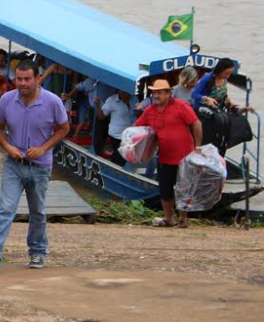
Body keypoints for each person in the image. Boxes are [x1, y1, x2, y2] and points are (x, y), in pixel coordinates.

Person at [0, 60, 69, 273]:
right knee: (5, 210)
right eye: (19, 79)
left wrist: (44, 148)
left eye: (27, 79)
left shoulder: (52, 102)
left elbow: (63, 128)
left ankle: (37, 252)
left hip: (40, 165)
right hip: (14, 164)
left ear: (38, 79)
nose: (22, 83)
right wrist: (8, 147)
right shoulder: (7, 100)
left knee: (37, 211)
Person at [136, 79, 202, 228]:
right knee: (165, 188)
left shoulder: (181, 106)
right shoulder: (150, 111)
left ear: (168, 94)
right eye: (154, 92)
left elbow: (196, 123)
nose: (156, 95)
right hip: (165, 156)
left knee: (184, 188)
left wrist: (198, 147)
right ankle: (169, 218)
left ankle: (183, 219)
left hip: (185, 157)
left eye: (159, 92)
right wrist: (129, 145)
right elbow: (137, 127)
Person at [190, 58, 255, 156]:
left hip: (218, 108)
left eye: (229, 74)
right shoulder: (208, 78)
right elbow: (194, 94)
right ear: (220, 70)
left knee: (240, 120)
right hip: (204, 110)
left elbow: (223, 94)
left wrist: (229, 101)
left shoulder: (224, 80)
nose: (227, 77)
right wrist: (206, 99)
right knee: (221, 121)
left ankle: (224, 146)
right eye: (226, 73)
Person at [95, 90, 134, 166]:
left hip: (130, 135)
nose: (126, 93)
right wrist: (98, 105)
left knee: (123, 158)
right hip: (116, 135)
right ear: (119, 91)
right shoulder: (111, 100)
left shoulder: (134, 99)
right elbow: (101, 117)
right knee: (119, 157)